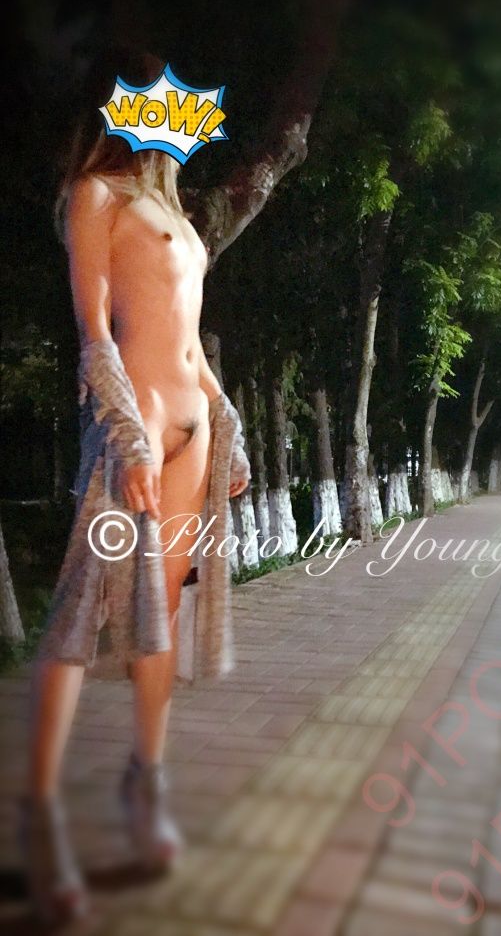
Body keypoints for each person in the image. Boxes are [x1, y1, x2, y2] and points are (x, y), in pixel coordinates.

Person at [18, 51, 251, 924]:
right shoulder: (97, 197)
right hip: (137, 430)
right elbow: (97, 336)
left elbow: (191, 338)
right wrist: (126, 434)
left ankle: (144, 783)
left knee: (163, 614)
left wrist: (228, 425)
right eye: (155, 99)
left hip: (194, 429)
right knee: (80, 616)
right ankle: (40, 817)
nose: (171, 113)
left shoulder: (174, 210)